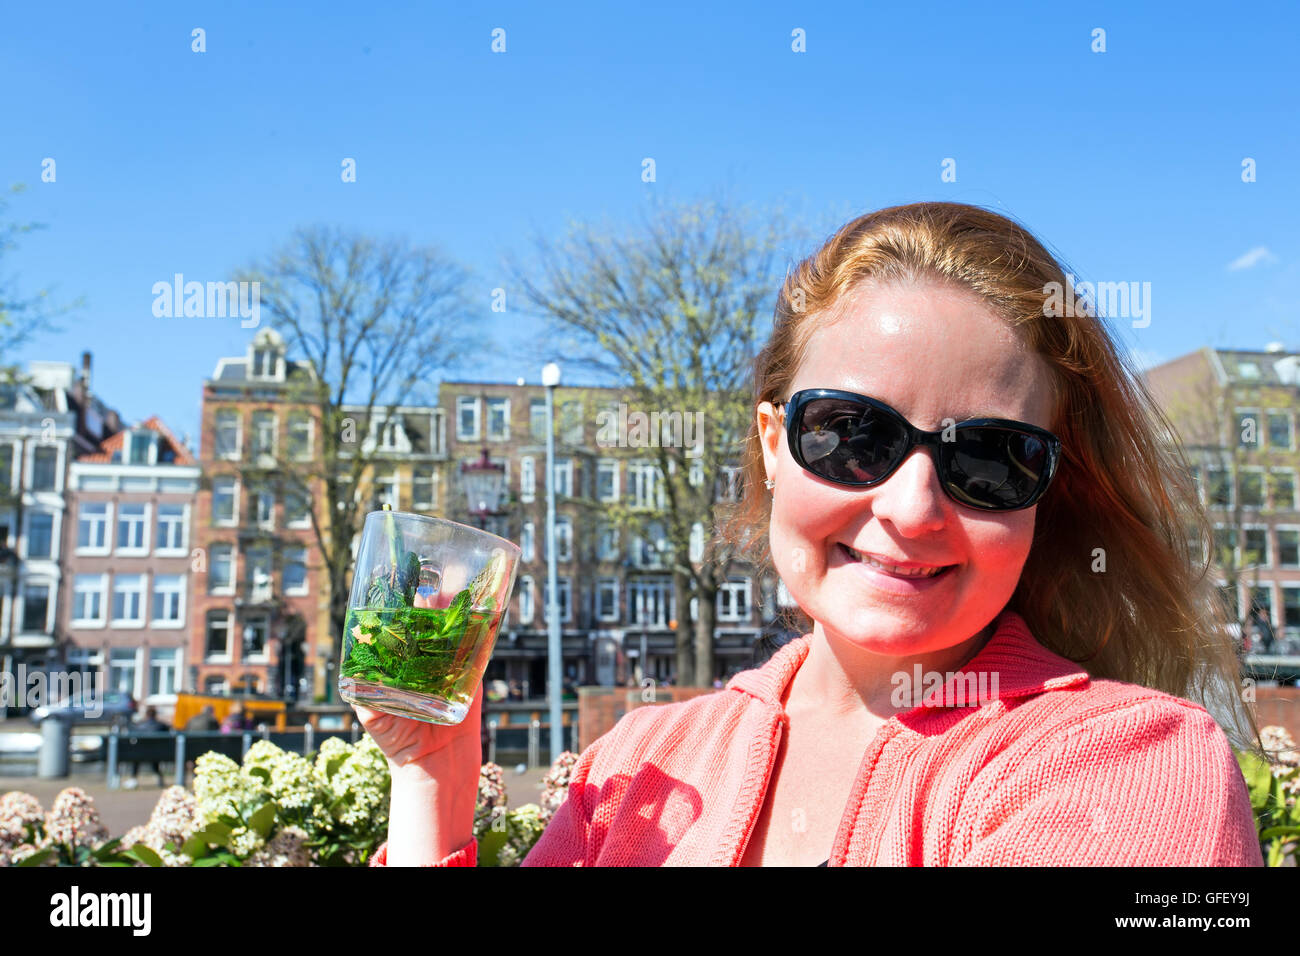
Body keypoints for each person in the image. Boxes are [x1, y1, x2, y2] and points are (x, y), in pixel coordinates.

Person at [356, 201, 1265, 867]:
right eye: (850, 434)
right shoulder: (641, 759)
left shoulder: (1131, 766)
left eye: (989, 459)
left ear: (1046, 495)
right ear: (772, 446)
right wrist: (432, 775)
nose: (913, 509)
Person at [125, 706, 169, 789]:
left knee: (137, 756)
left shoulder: (139, 726)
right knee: (153, 756)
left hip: (139, 754)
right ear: (155, 715)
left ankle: (133, 779)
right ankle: (159, 778)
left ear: (146, 715)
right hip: (158, 754)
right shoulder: (162, 726)